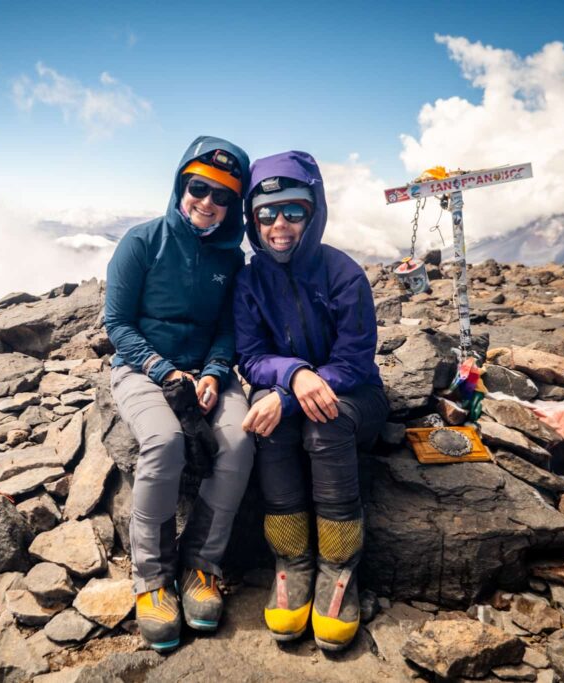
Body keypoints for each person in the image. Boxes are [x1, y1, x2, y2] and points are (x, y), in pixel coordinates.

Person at [234, 151, 390, 651]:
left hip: (355, 397)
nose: (280, 225)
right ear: (253, 221)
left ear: (313, 212)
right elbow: (251, 356)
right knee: (270, 426)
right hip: (290, 389)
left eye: (294, 211)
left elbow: (356, 362)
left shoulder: (343, 274)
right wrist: (294, 377)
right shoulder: (249, 280)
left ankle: (338, 568)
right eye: (267, 214)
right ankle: (293, 561)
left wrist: (294, 394)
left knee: (323, 426)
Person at [104, 136, 255, 652]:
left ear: (234, 206)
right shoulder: (142, 242)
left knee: (239, 442)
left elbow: (228, 329)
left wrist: (213, 372)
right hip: (142, 370)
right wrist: (164, 371)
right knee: (165, 442)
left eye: (223, 198)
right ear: (180, 185)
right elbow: (118, 325)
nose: (207, 203)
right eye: (197, 188)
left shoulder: (232, 260)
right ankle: (151, 578)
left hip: (207, 373)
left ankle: (201, 566)